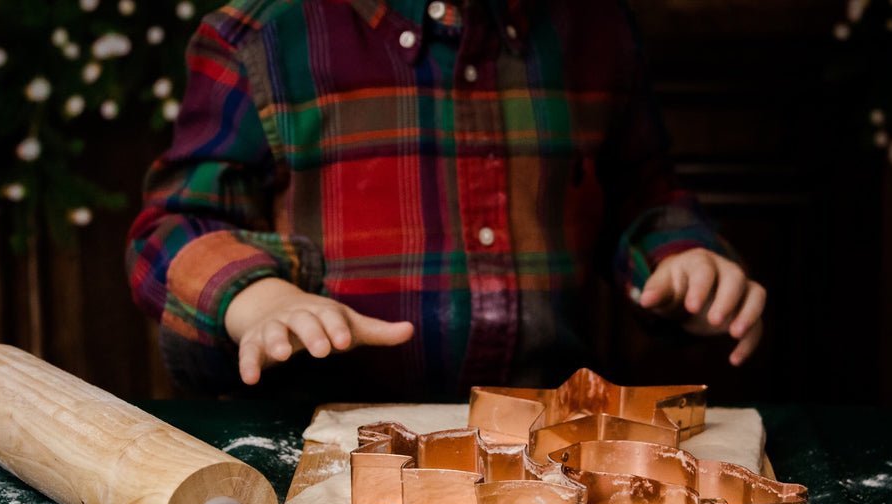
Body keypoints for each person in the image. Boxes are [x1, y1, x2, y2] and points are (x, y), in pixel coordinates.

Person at [126, 0, 765, 402]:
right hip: (330, 435)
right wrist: (259, 300)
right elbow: (173, 229)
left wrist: (682, 261)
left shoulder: (597, 28)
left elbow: (640, 193)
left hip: (552, 431)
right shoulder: (260, 35)